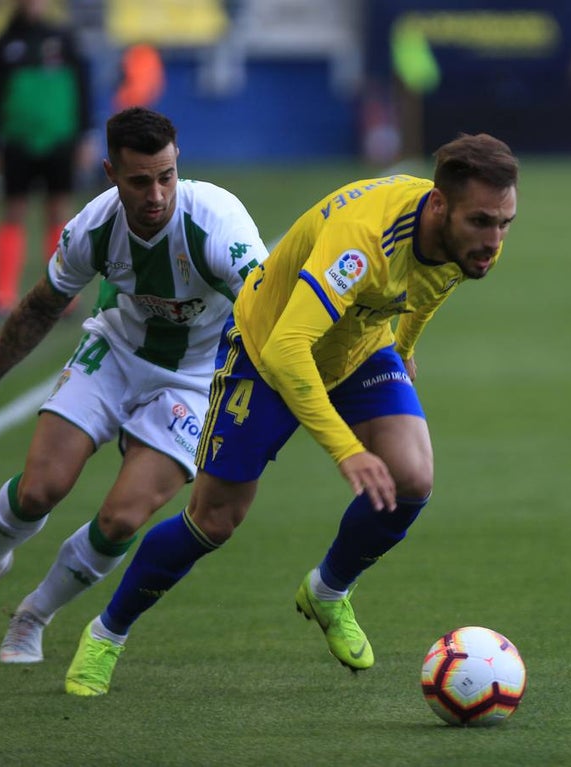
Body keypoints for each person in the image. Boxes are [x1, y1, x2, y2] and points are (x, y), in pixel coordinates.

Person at [63, 132, 520, 696]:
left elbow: (424, 291)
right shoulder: (366, 240)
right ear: (440, 204)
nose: (494, 241)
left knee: (413, 479)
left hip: (358, 347)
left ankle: (327, 592)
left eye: (505, 224)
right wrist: (347, 450)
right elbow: (287, 349)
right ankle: (107, 633)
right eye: (483, 223)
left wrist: (402, 352)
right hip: (266, 351)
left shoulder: (465, 241)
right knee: (213, 520)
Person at [0, 108, 269, 667]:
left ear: (178, 166)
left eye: (166, 176)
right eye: (139, 181)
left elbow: (274, 308)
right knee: (39, 490)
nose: (156, 194)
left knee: (122, 519)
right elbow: (38, 310)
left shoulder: (218, 224)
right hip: (117, 354)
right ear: (110, 173)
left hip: (198, 381)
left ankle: (33, 615)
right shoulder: (93, 228)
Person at [0, 0, 95, 318]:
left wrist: (85, 135)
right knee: (13, 211)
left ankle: (64, 294)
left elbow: (82, 89)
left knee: (59, 211)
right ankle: (3, 296)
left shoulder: (63, 39)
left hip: (59, 139)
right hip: (17, 141)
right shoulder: (3, 44)